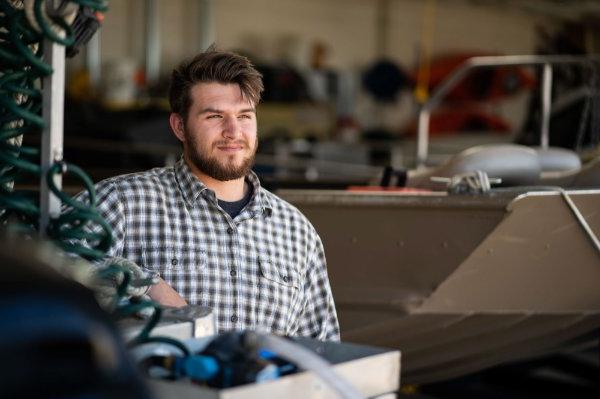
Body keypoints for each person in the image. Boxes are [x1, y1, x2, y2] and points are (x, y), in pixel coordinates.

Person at [87, 47, 340, 341]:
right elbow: (49, 263)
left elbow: (321, 350)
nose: (233, 131)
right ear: (179, 126)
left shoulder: (297, 232)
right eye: (215, 116)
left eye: (244, 116)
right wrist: (146, 285)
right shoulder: (123, 203)